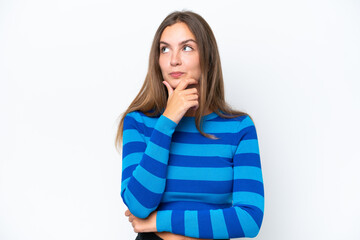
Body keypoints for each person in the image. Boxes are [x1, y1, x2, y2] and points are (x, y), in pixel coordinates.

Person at [115, 10, 264, 240]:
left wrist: (159, 221)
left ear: (207, 58)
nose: (174, 59)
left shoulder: (239, 128)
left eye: (186, 47)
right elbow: (139, 205)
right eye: (164, 49)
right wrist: (167, 122)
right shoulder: (139, 122)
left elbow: (249, 219)